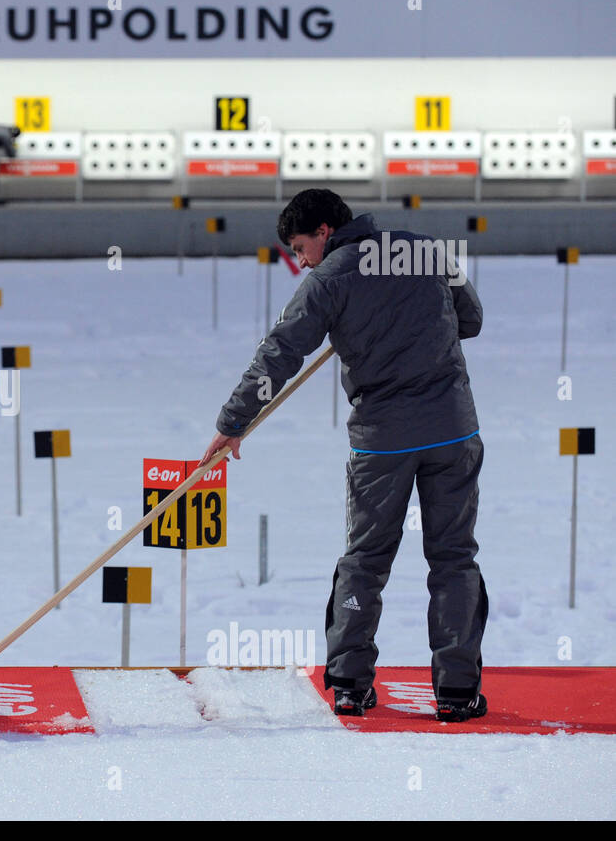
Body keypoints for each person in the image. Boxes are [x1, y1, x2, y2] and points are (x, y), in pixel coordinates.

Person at [199, 188, 488, 723]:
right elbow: (469, 320)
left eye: (300, 246)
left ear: (325, 232)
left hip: (383, 442)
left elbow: (280, 351)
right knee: (453, 560)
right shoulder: (425, 251)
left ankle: (351, 685)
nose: (300, 259)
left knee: (365, 561)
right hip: (452, 430)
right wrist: (411, 323)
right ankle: (456, 693)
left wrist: (232, 424)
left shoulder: (330, 279)